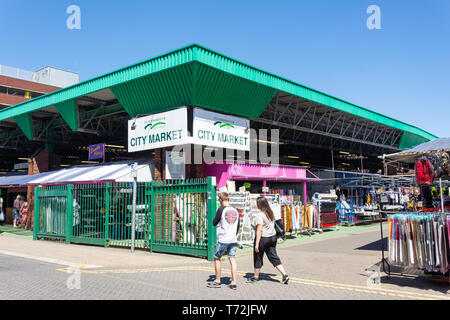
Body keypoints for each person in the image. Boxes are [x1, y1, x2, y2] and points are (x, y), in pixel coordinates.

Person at [247, 196, 289, 284]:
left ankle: (255, 277)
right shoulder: (270, 212)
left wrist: (257, 244)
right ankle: (284, 274)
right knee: (273, 256)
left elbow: (259, 230)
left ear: (259, 204)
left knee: (258, 256)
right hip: (273, 237)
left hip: (263, 238)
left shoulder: (260, 215)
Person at [207, 192, 240, 290]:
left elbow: (214, 222)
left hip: (223, 239)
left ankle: (217, 280)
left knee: (217, 258)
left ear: (220, 200)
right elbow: (238, 226)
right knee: (232, 259)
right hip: (233, 239)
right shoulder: (235, 210)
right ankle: (233, 282)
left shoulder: (221, 209)